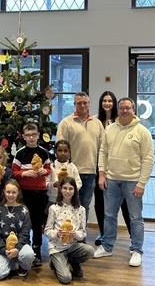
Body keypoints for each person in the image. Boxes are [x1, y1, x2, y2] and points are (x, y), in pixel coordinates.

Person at [93, 97, 154, 267]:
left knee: (135, 218)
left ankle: (136, 250)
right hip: (111, 180)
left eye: (128, 108)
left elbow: (148, 159)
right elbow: (103, 152)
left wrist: (141, 183)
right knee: (109, 215)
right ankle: (107, 246)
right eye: (122, 108)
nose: (124, 111)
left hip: (132, 182)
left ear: (134, 110)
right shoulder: (110, 129)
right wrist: (102, 174)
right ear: (118, 110)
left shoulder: (143, 131)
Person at [56, 91, 104, 223]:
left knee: (84, 207)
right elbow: (60, 148)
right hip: (72, 172)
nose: (82, 105)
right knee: (68, 205)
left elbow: (103, 148)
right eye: (79, 103)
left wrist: (101, 171)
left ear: (89, 104)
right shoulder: (66, 123)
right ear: (74, 104)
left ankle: (81, 234)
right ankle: (67, 234)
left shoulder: (97, 123)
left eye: (85, 103)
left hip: (91, 172)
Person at [94, 91, 131, 246]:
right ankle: (103, 233)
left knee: (126, 205)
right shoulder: (95, 120)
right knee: (100, 203)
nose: (107, 103)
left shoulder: (120, 121)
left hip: (118, 170)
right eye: (104, 100)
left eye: (110, 100)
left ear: (114, 103)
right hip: (99, 168)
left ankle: (132, 237)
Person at [12, 122, 51, 267]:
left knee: (37, 222)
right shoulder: (20, 153)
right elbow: (14, 172)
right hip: (24, 193)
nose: (31, 138)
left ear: (38, 135)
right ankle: (24, 247)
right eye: (28, 135)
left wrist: (44, 171)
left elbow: (49, 169)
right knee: (23, 221)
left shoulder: (44, 152)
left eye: (34, 135)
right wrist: (24, 173)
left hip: (40, 192)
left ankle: (37, 250)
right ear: (23, 137)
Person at [44, 176, 94, 284]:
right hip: (57, 248)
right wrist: (57, 233)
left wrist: (75, 234)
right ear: (60, 189)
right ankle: (55, 261)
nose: (67, 191)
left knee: (90, 250)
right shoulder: (53, 208)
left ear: (75, 190)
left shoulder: (81, 209)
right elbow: (47, 231)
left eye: (70, 188)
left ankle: (73, 260)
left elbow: (83, 232)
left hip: (72, 246)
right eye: (65, 188)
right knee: (66, 279)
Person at [0, 179, 35, 280]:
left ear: (18, 193)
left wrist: (17, 249)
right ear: (4, 192)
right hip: (4, 248)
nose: (11, 195)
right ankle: (10, 263)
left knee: (29, 255)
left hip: (21, 246)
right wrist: (3, 249)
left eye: (14, 192)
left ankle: (23, 267)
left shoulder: (24, 210)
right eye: (8, 192)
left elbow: (25, 233)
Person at [45, 139, 82, 214]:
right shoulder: (51, 167)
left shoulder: (72, 167)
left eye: (65, 151)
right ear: (55, 151)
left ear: (69, 152)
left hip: (69, 201)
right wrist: (53, 185)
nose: (62, 153)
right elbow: (45, 183)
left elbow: (79, 183)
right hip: (53, 200)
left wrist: (70, 188)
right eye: (60, 150)